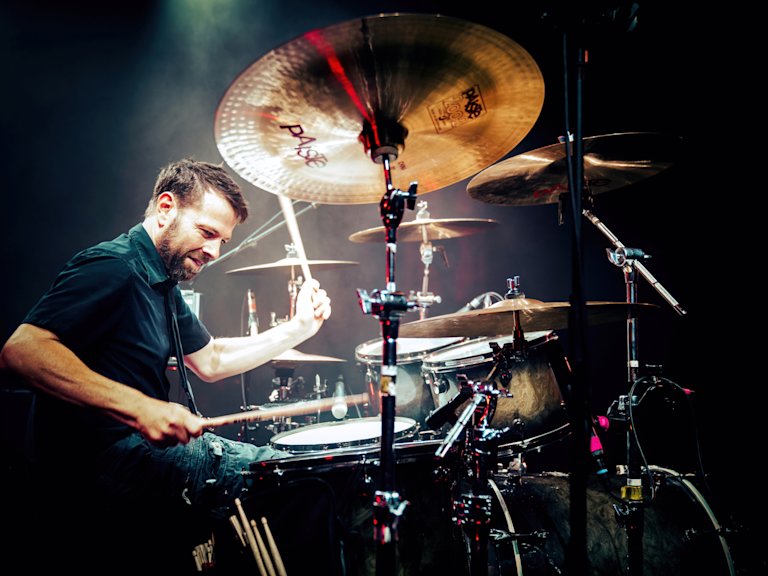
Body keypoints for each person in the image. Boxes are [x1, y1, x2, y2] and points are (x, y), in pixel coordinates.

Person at [0, 158, 332, 572]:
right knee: (298, 483)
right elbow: (22, 349)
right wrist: (141, 407)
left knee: (294, 470)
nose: (213, 251)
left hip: (132, 457)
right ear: (166, 208)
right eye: (207, 233)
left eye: (222, 242)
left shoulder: (160, 281)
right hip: (100, 463)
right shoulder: (114, 266)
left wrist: (298, 329)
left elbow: (211, 360)